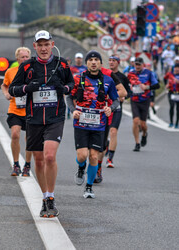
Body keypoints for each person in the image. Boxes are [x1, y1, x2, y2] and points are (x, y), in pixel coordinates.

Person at [8, 30, 74, 217]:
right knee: (38, 159)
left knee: (50, 156)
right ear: (35, 46)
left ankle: (51, 198)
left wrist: (65, 88)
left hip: (55, 117)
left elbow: (71, 84)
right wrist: (27, 88)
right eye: (40, 45)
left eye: (47, 44)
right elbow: (13, 89)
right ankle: (44, 197)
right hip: (34, 119)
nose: (44, 48)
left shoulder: (61, 64)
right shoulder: (27, 66)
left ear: (52, 45)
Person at [66, 50, 119, 198]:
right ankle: (81, 167)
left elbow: (116, 100)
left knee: (94, 156)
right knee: (82, 155)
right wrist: (72, 110)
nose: (94, 62)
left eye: (96, 60)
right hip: (81, 123)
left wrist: (110, 108)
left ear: (101, 63)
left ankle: (89, 187)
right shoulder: (78, 79)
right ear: (86, 63)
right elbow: (69, 98)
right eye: (91, 60)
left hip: (99, 125)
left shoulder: (108, 80)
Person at [1, 47, 33, 176]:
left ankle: (27, 165)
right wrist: (6, 94)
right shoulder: (11, 71)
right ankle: (16, 164)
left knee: (29, 139)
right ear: (17, 58)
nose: (24, 59)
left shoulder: (34, 72)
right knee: (15, 134)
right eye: (22, 57)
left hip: (30, 109)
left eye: (27, 57)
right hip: (15, 109)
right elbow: (4, 85)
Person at [104, 55, 131, 168]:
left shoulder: (122, 77)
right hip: (104, 108)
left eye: (114, 61)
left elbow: (128, 92)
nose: (111, 62)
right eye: (110, 60)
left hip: (116, 108)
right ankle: (105, 145)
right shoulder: (104, 75)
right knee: (103, 133)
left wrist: (125, 97)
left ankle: (110, 159)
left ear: (118, 63)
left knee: (113, 132)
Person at [128, 57, 159, 152]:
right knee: (135, 121)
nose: (137, 66)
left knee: (143, 124)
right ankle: (137, 143)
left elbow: (157, 85)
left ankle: (144, 134)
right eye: (136, 64)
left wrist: (147, 87)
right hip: (134, 100)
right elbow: (126, 85)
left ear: (143, 65)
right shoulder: (130, 74)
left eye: (139, 64)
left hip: (145, 100)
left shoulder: (148, 73)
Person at [164, 63, 179, 128]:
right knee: (172, 106)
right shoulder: (170, 74)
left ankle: (176, 123)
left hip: (178, 93)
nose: (176, 69)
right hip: (171, 92)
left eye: (178, 68)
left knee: (178, 109)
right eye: (175, 68)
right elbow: (164, 78)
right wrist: (166, 84)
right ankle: (171, 122)